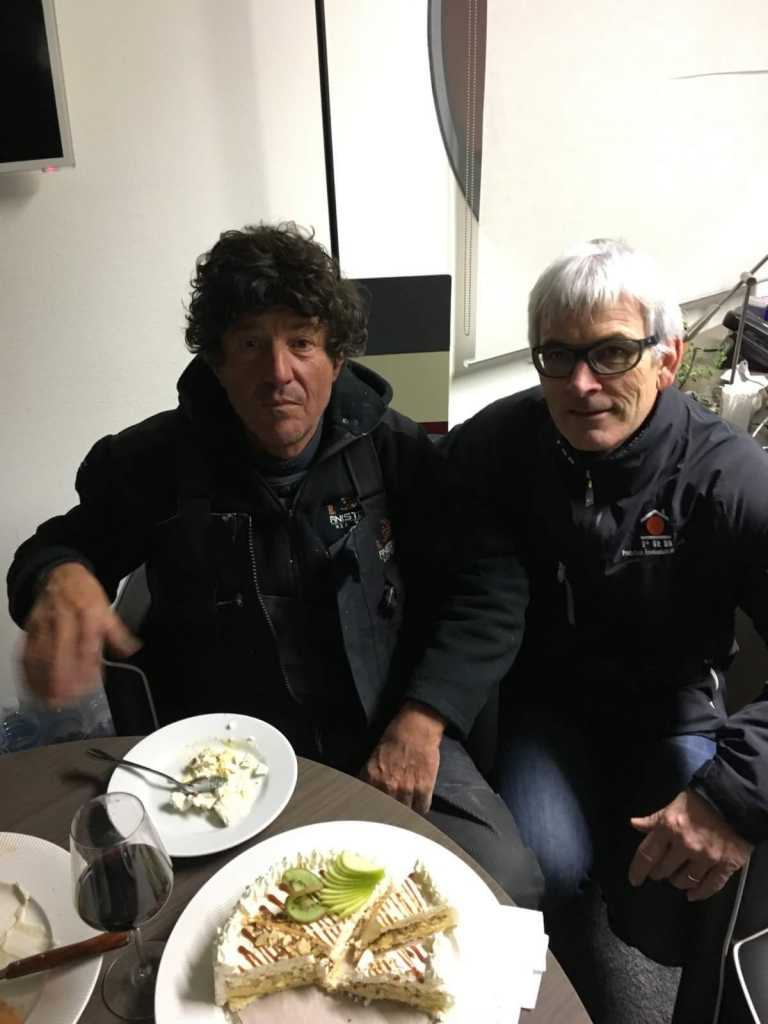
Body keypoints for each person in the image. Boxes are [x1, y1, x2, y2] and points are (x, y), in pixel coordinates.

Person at [6, 222, 542, 908]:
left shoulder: (395, 450)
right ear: (218, 361)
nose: (278, 372)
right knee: (189, 917)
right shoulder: (152, 463)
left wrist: (425, 716)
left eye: (302, 343)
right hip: (224, 764)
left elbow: (491, 581)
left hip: (383, 733)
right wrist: (58, 575)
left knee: (505, 882)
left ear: (337, 358)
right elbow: (52, 550)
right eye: (250, 344)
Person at [444, 238, 768, 1021]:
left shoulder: (730, 479)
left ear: (668, 357)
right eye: (558, 356)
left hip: (672, 708)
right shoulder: (498, 444)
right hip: (547, 713)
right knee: (542, 869)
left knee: (701, 890)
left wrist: (733, 795)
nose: (582, 383)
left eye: (613, 353)